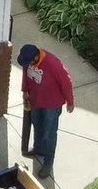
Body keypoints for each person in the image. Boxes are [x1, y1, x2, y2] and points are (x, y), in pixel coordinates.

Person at [18, 42, 73, 179]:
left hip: (51, 105)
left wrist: (70, 102)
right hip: (36, 100)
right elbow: (26, 73)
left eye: (28, 62)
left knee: (49, 133)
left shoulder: (53, 64)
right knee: (37, 125)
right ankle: (38, 149)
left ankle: (48, 162)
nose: (26, 65)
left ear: (36, 57)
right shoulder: (28, 61)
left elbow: (66, 83)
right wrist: (25, 90)